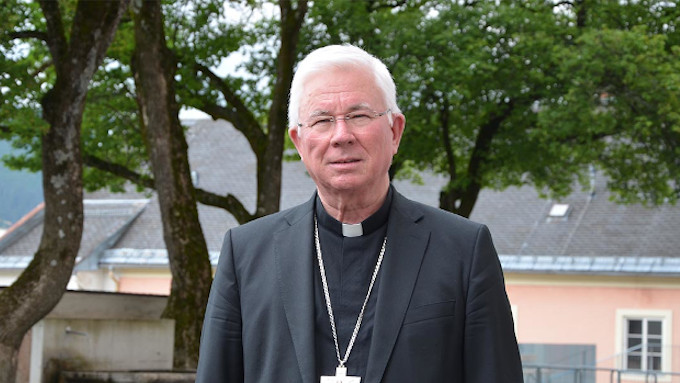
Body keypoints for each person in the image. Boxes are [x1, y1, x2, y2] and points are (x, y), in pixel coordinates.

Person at [196, 44, 523, 383]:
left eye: (359, 116)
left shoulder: (463, 251)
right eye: (322, 121)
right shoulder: (245, 253)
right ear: (299, 141)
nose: (341, 136)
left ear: (395, 131)